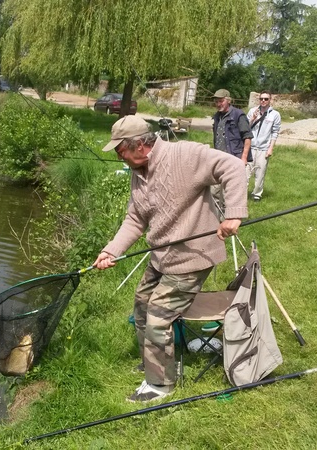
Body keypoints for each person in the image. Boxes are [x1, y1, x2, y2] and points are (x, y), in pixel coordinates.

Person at [93, 116, 248, 403]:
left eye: (120, 150)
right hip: (161, 255)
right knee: (141, 304)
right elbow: (135, 218)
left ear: (139, 145)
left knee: (158, 316)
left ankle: (160, 386)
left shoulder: (184, 155)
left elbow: (234, 166)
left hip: (192, 257)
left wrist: (235, 213)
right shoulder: (137, 171)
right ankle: (153, 361)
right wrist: (111, 250)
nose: (119, 156)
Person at [211, 89, 252, 211]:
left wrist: (244, 158)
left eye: (221, 101)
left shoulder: (238, 115)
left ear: (228, 101)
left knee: (232, 191)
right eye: (216, 102)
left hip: (235, 158)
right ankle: (217, 217)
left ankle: (233, 217)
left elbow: (247, 136)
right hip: (219, 159)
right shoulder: (217, 116)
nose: (218, 104)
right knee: (214, 190)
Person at [246, 91, 281, 201]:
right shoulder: (252, 111)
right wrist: (252, 119)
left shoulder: (275, 115)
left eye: (266, 99)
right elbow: (245, 128)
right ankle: (242, 193)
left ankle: (257, 194)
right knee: (246, 171)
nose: (263, 101)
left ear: (270, 100)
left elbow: (275, 132)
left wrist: (270, 148)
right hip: (250, 147)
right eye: (261, 98)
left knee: (260, 172)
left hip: (263, 147)